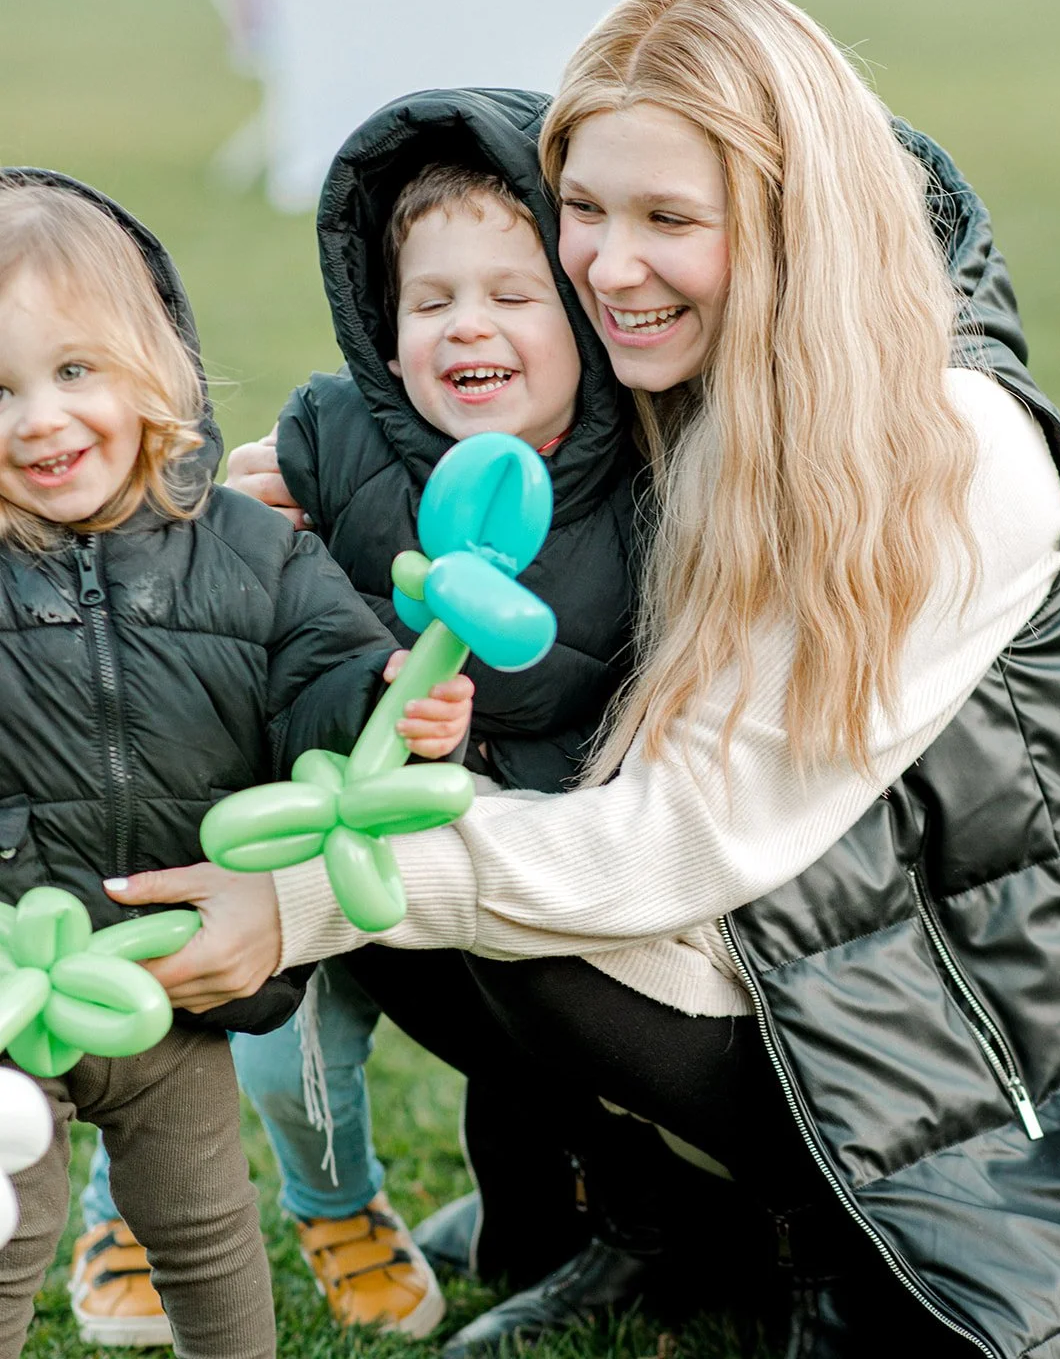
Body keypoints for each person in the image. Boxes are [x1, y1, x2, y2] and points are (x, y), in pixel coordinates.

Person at [108, 0, 1060, 1359]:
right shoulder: (683, 359)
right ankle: (647, 1217)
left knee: (470, 888)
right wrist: (301, 508)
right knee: (432, 814)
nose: (607, 269)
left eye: (668, 220)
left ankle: (810, 1236)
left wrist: (304, 896)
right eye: (585, 210)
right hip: (792, 919)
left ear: (795, 218)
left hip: (950, 998)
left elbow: (685, 837)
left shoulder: (948, 447)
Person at [79, 92, 642, 1343]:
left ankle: (532, 1219)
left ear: (586, 319)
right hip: (308, 815)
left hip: (510, 852)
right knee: (257, 1039)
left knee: (532, 1066)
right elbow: (213, 586)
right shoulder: (332, 440)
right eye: (429, 302)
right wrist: (234, 528)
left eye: (511, 294)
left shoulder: (643, 479)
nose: (466, 325)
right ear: (383, 333)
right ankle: (179, 1204)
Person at [0, 172, 472, 1358]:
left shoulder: (251, 554)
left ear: (154, 366)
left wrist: (385, 700)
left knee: (207, 1226)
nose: (39, 420)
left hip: (181, 973)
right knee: (10, 1228)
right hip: (13, 989)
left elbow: (322, 686)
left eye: (74, 370)